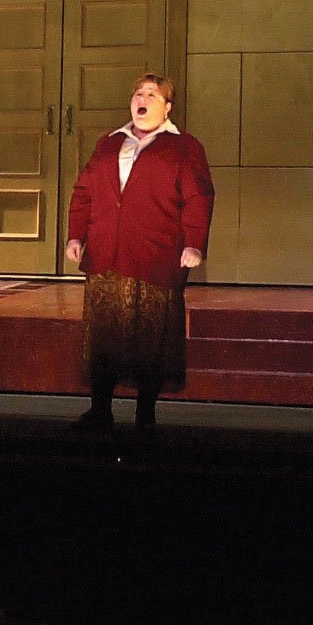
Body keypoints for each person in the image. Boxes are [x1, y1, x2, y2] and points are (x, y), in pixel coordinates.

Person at [65, 73, 213, 433]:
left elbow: (198, 197)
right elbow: (84, 192)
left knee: (150, 337)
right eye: (138, 93)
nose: (142, 99)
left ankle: (145, 415)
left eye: (151, 94)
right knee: (104, 335)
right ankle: (100, 410)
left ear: (167, 106)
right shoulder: (109, 143)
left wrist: (193, 242)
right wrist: (75, 236)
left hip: (155, 255)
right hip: (107, 253)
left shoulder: (183, 147)